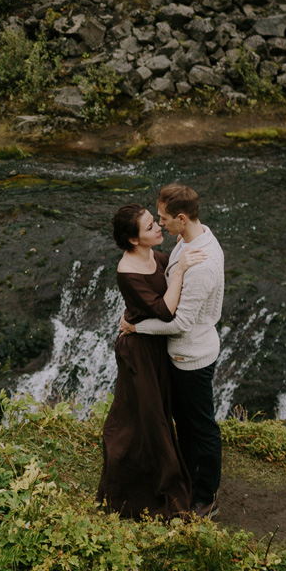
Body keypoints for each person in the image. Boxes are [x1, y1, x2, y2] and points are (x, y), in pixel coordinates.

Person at [120, 183, 225, 518]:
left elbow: (179, 324)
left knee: (201, 427)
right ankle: (191, 479)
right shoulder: (190, 237)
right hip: (180, 354)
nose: (160, 224)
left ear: (181, 218)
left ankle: (206, 496)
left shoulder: (202, 264)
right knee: (187, 423)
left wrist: (137, 327)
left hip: (192, 357)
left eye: (164, 219)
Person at [96, 202, 203, 519]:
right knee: (148, 420)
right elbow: (166, 310)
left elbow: (169, 298)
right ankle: (155, 493)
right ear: (133, 239)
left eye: (155, 222)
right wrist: (182, 269)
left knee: (152, 417)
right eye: (149, 226)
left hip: (154, 345)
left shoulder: (156, 257)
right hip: (137, 353)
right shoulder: (127, 271)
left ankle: (155, 481)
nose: (158, 227)